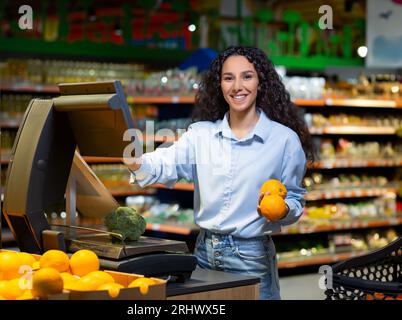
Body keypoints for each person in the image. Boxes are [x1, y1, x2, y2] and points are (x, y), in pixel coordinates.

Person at [124, 46, 314, 300]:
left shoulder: (283, 141)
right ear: (220, 85)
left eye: (247, 76)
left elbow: (294, 199)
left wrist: (283, 210)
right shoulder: (201, 135)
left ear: (261, 82)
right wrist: (138, 162)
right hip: (203, 250)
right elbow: (166, 161)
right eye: (228, 78)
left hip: (251, 255)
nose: (237, 86)